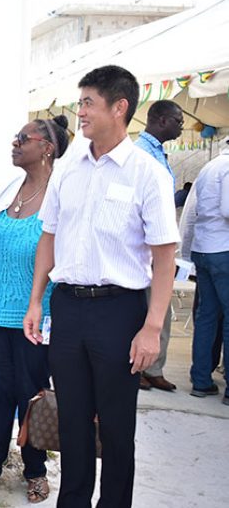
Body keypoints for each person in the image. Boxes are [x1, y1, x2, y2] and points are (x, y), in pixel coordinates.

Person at [23, 65, 179, 508]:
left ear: (119, 107)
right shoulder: (69, 170)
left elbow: (164, 259)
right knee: (72, 423)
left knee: (114, 427)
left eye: (89, 102)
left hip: (119, 312)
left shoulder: (147, 174)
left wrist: (151, 327)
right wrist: (37, 301)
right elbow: (48, 237)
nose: (81, 112)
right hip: (68, 309)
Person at [0, 115, 70, 503]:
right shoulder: (7, 190)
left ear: (47, 148)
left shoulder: (61, 196)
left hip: (36, 321)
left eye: (24, 138)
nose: (15, 142)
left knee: (32, 396)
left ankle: (35, 469)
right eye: (15, 137)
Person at [134, 99, 184, 391]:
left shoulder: (157, 154)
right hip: (144, 247)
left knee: (159, 307)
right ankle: (137, 365)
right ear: (162, 120)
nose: (181, 127)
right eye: (178, 121)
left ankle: (154, 367)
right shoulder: (140, 154)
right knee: (143, 308)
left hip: (161, 245)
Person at [188, 142, 229, 402]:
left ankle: (201, 380)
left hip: (203, 247)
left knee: (206, 317)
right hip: (223, 249)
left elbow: (194, 210)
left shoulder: (209, 166)